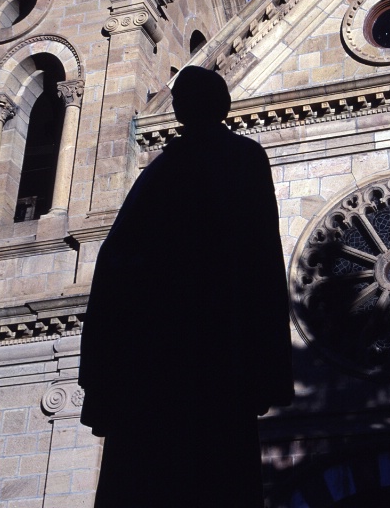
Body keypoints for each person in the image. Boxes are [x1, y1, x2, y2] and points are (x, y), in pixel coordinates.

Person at [79, 66, 293, 508]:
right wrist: (270, 367)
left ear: (180, 110)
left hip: (160, 363)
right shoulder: (242, 158)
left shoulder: (159, 173)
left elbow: (113, 270)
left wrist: (102, 382)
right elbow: (263, 261)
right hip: (216, 356)